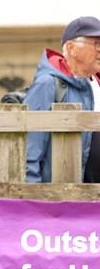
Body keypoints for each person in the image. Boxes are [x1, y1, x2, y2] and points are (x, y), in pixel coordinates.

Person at [25, 16, 100, 183]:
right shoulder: (48, 85)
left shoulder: (97, 84)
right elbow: (29, 153)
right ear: (72, 48)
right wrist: (34, 201)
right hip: (63, 200)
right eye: (97, 44)